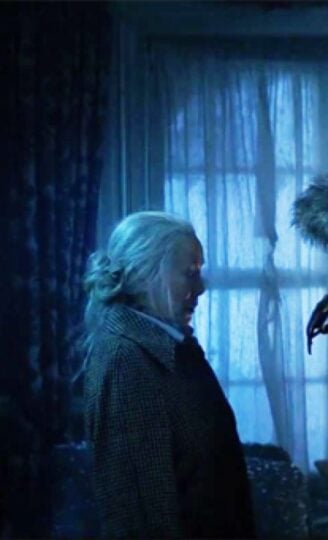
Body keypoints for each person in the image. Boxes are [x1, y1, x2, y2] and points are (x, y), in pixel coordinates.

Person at [82, 211, 255, 538]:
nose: (201, 288)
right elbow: (136, 515)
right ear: (145, 275)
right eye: (190, 273)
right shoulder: (126, 360)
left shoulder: (166, 347)